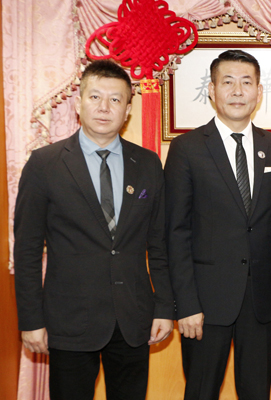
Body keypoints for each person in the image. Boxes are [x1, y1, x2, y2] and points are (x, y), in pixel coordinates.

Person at [13, 59, 174, 400]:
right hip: (69, 320)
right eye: (95, 97)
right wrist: (31, 320)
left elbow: (159, 245)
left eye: (115, 99)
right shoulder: (44, 164)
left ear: (128, 110)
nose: (104, 107)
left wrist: (164, 307)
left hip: (133, 319)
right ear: (78, 103)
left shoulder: (147, 164)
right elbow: (26, 250)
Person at [165, 50, 271, 400]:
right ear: (212, 90)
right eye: (228, 82)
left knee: (257, 392)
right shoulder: (186, 148)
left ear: (259, 92)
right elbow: (175, 232)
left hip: (262, 301)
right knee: (201, 392)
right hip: (204, 304)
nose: (238, 91)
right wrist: (185, 304)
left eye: (246, 82)